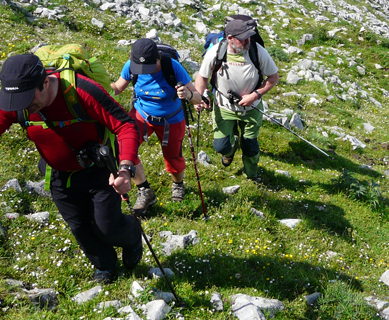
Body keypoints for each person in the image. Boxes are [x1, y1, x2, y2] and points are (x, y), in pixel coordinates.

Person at [0, 54, 143, 284]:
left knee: (107, 227)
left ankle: (132, 236)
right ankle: (105, 265)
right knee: (80, 227)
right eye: (16, 100)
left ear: (45, 82)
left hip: (100, 170)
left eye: (28, 99)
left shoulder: (80, 90)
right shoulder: (14, 100)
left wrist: (125, 169)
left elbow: (125, 125)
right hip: (59, 174)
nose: (22, 106)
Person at [110, 38, 205, 215]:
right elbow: (116, 88)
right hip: (141, 115)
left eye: (149, 68)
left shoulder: (173, 67)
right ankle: (144, 190)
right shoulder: (131, 66)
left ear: (158, 59)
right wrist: (94, 83)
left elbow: (198, 98)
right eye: (140, 68)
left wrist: (188, 94)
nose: (145, 72)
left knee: (173, 158)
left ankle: (178, 184)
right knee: (125, 150)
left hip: (172, 120)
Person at [194, 18, 279, 180]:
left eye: (249, 37)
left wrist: (254, 96)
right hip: (223, 106)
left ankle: (251, 176)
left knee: (250, 146)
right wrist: (200, 97)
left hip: (251, 109)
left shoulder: (257, 50)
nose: (247, 41)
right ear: (230, 38)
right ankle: (229, 151)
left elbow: (274, 78)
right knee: (221, 146)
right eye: (243, 39)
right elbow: (202, 77)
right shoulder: (217, 52)